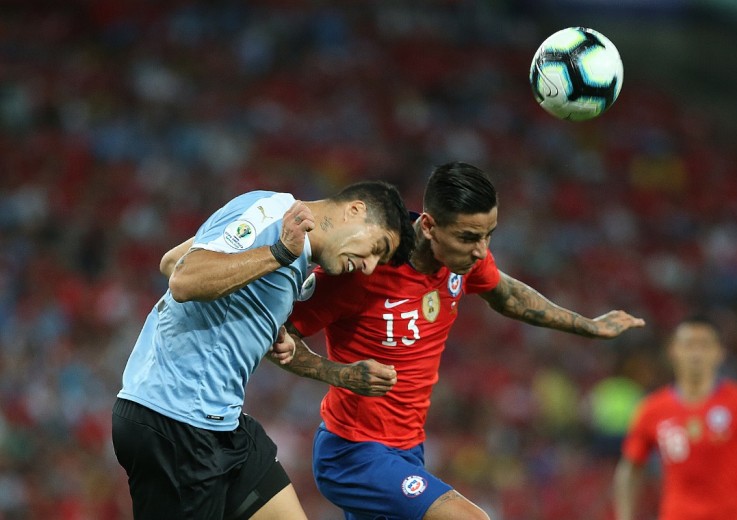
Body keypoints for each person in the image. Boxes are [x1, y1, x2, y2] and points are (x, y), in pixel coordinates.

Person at [266, 162, 647, 520]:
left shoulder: (464, 259)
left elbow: (507, 295)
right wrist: (340, 375)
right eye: (468, 237)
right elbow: (275, 338)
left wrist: (587, 325)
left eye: (488, 236)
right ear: (429, 226)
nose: (480, 250)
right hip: (352, 453)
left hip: (408, 451)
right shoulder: (362, 267)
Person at [113, 180, 415, 520]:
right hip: (173, 422)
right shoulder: (273, 217)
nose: (370, 266)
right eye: (377, 247)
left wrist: (263, 321)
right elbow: (182, 279)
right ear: (355, 210)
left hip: (221, 423)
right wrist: (276, 255)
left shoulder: (296, 251)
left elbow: (171, 260)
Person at [613, 315, 737, 520]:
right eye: (689, 345)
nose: (696, 354)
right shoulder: (652, 409)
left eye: (704, 345)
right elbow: (630, 469)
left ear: (719, 353)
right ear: (672, 351)